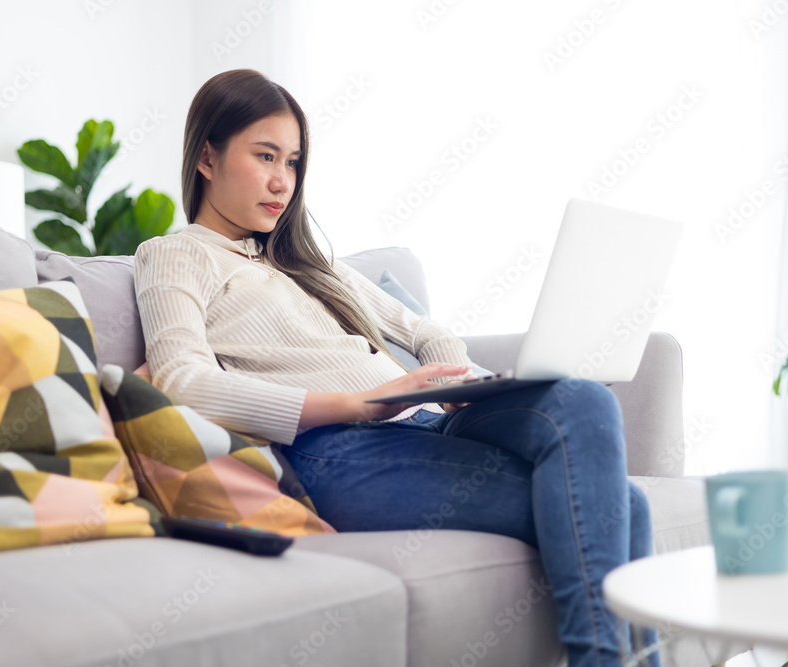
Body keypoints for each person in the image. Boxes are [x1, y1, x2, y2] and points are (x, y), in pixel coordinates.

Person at [133, 68, 658, 667]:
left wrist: (453, 379)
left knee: (584, 399)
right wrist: (357, 402)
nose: (283, 182)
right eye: (265, 156)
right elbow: (183, 382)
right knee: (630, 509)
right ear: (207, 156)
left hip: (431, 422)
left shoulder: (309, 263)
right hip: (341, 452)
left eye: (295, 162)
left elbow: (427, 331)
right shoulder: (174, 255)